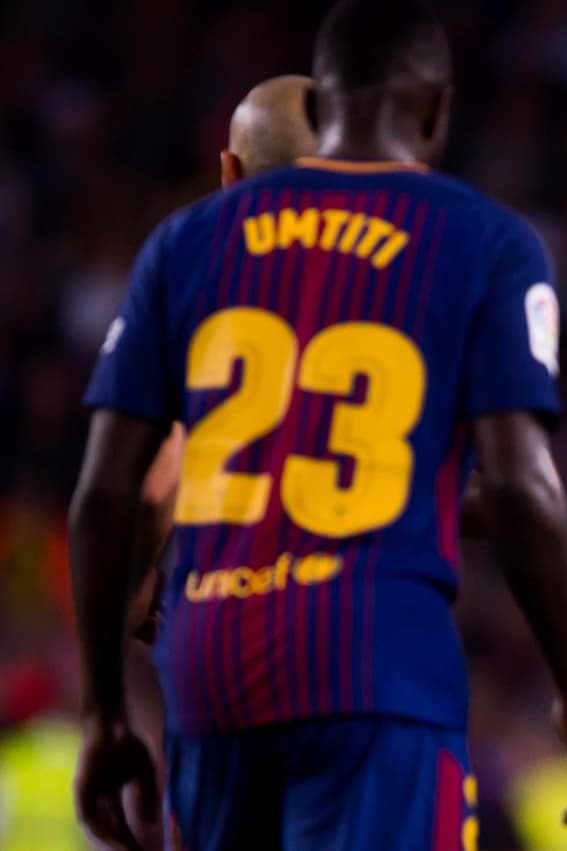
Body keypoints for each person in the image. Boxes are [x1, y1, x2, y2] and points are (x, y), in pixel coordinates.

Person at [69, 1, 567, 849]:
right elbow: (517, 484)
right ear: (437, 110)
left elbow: (110, 491)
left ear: (324, 108)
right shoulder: (482, 241)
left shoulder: (185, 244)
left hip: (210, 660)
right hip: (374, 663)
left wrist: (105, 707)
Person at [112, 73, 321, 851]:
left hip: (221, 652)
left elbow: (156, 477)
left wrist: (136, 587)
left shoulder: (195, 275)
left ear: (230, 171)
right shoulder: (405, 276)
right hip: (365, 657)